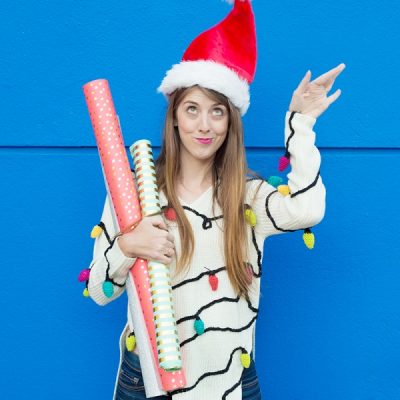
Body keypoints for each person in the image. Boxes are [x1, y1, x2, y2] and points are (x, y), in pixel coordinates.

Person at [85, 1, 345, 399]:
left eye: (217, 112)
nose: (204, 125)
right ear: (174, 116)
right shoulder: (136, 189)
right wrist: (126, 246)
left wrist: (301, 125)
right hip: (149, 382)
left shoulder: (247, 195)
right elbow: (101, 292)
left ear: (231, 121)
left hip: (230, 382)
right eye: (192, 110)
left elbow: (308, 209)